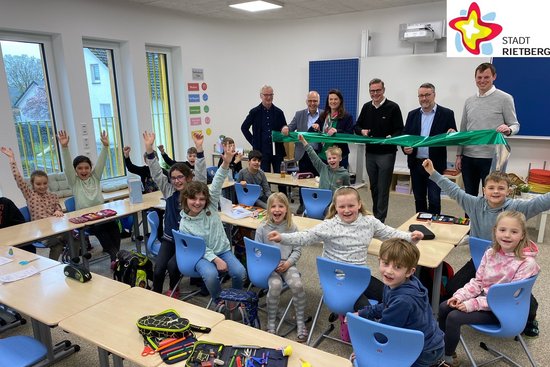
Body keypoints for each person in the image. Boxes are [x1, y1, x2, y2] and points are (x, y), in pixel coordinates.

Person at [423, 159, 550, 337]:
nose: (495, 191)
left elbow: (542, 202)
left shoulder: (517, 209)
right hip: (481, 259)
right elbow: (454, 191)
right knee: (453, 288)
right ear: (484, 190)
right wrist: (433, 173)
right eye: (491, 188)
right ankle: (482, 305)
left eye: (501, 188)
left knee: (518, 295)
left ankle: (529, 318)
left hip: (509, 264)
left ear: (508, 191)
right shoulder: (475, 204)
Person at [268, 186, 423, 305]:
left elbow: (388, 233)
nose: (347, 210)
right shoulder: (329, 225)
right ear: (335, 207)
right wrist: (282, 237)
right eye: (342, 207)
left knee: (391, 298)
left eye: (351, 205)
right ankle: (366, 339)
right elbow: (305, 237)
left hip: (360, 276)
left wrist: (410, 237)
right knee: (366, 310)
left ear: (359, 204)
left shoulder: (369, 222)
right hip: (336, 280)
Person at [438, 211, 540, 367]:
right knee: (444, 306)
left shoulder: (527, 264)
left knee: (454, 317)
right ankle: (441, 349)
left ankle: (447, 358)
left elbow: (506, 298)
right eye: (502, 230)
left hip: (504, 310)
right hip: (487, 302)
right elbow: (478, 282)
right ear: (495, 231)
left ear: (522, 235)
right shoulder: (490, 253)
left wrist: (471, 304)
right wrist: (460, 296)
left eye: (514, 231)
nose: (507, 235)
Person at [354, 238, 445, 367]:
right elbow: (386, 306)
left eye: (397, 267)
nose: (389, 271)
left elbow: (386, 334)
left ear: (409, 271)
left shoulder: (404, 300)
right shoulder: (395, 282)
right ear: (379, 260)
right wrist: (364, 313)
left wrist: (364, 349)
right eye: (386, 263)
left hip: (423, 352)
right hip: (427, 343)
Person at [178, 147, 247, 302]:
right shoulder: (184, 224)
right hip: (202, 255)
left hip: (221, 250)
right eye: (193, 199)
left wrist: (225, 163)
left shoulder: (211, 206)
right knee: (210, 275)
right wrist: (215, 260)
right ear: (186, 199)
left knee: (240, 272)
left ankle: (235, 298)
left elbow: (216, 183)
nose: (197, 203)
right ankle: (219, 299)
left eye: (201, 199)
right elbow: (198, 248)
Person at [144, 131, 207, 297]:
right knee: (158, 270)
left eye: (180, 177)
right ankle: (155, 296)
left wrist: (199, 149)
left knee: (172, 267)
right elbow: (157, 173)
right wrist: (149, 150)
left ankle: (174, 289)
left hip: (188, 240)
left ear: (187, 178)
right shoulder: (169, 190)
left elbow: (201, 174)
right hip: (170, 238)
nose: (177, 181)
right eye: (173, 178)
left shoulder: (194, 192)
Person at [58, 130, 120, 266]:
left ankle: (115, 257)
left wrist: (105, 147)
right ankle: (116, 257)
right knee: (101, 229)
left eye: (87, 168)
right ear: (75, 171)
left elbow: (102, 162)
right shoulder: (74, 182)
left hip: (102, 214)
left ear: (91, 168)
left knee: (114, 226)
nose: (84, 171)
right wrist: (64, 147)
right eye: (80, 168)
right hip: (87, 220)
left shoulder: (95, 177)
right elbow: (68, 166)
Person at [456, 62, 520, 197]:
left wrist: (508, 129)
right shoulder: (469, 101)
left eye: (486, 77)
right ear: (475, 79)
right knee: (469, 197)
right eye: (479, 77)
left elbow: (515, 125)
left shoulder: (505, 98)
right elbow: (463, 130)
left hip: (492, 159)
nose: (482, 81)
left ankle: (489, 219)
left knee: (492, 197)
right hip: (469, 158)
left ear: (494, 77)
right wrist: (458, 155)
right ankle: (471, 219)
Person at [255, 192, 307, 342]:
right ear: (268, 209)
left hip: (287, 264)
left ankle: (300, 321)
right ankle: (271, 322)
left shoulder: (292, 227)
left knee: (297, 285)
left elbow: (297, 250)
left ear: (287, 209)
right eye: (273, 206)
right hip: (269, 267)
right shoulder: (262, 228)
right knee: (276, 285)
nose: (277, 210)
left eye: (281, 206)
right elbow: (257, 251)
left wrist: (288, 263)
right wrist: (271, 263)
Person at [402, 83, 457, 214]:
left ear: (434, 95)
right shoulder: (412, 114)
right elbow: (405, 137)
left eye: (427, 95)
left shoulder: (447, 113)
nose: (424, 98)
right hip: (416, 163)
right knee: (419, 199)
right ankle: (421, 226)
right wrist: (405, 148)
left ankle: (435, 227)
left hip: (435, 164)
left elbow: (453, 134)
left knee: (434, 199)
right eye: (421, 95)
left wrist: (452, 132)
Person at [2, 147, 65, 260]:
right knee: (57, 245)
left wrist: (58, 210)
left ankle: (73, 261)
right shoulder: (29, 195)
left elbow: (58, 207)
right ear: (32, 184)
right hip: (41, 233)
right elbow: (18, 178)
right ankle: (52, 265)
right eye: (38, 184)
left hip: (55, 228)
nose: (42, 186)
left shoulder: (53, 196)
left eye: (45, 183)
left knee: (74, 239)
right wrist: (12, 159)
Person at [354, 78, 404, 223]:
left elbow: (400, 129)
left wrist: (390, 137)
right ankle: (376, 215)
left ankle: (380, 220)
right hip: (370, 153)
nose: (375, 93)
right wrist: (362, 131)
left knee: (383, 189)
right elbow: (357, 126)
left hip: (386, 154)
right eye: (372, 91)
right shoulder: (366, 107)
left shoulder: (393, 107)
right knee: (374, 187)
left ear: (383, 90)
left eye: (378, 90)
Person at [282, 91, 323, 214]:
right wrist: (286, 128)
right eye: (310, 100)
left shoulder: (324, 114)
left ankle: (317, 203)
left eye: (315, 101)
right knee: (303, 180)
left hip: (319, 153)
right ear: (306, 101)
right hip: (303, 153)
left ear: (318, 102)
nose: (312, 103)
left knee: (319, 180)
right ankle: (303, 204)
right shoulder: (299, 114)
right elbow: (291, 126)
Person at [241, 85, 287, 176]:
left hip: (277, 151)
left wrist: (285, 128)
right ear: (261, 96)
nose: (269, 97)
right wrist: (253, 142)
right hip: (261, 152)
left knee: (281, 178)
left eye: (271, 94)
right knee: (263, 177)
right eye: (266, 95)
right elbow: (244, 127)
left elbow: (284, 127)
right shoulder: (254, 112)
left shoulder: (279, 112)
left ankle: (282, 191)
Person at [123, 145, 164, 240]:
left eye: (153, 159)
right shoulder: (144, 170)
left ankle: (159, 233)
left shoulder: (161, 171)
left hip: (160, 200)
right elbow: (131, 167)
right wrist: (126, 156)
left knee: (160, 213)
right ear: (145, 161)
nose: (150, 162)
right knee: (155, 214)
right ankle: (157, 233)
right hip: (148, 201)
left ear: (157, 159)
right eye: (148, 160)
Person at [310, 89, 354, 169]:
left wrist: (337, 131)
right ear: (328, 101)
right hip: (323, 155)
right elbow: (311, 129)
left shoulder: (347, 116)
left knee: (338, 181)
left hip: (339, 157)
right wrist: (315, 126)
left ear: (340, 101)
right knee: (323, 180)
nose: (333, 101)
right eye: (331, 99)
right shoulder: (324, 115)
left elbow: (350, 134)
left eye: (335, 99)